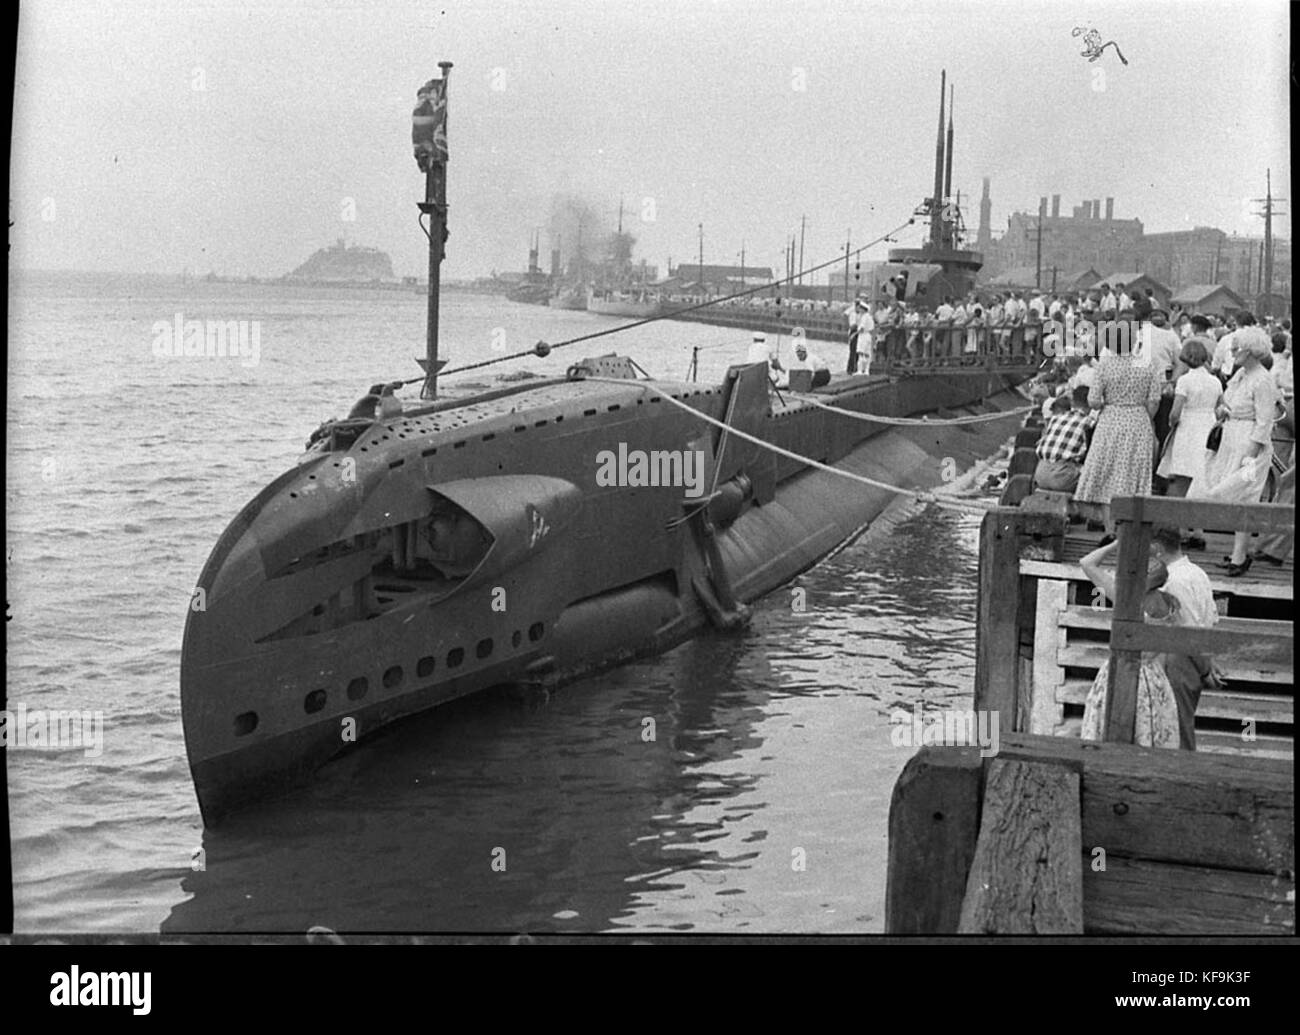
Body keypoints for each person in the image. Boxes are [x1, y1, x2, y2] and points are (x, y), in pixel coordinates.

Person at [1188, 326, 1281, 575]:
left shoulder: (1263, 380)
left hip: (1250, 446)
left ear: (1250, 351)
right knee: (1229, 495)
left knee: (1243, 495)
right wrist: (1222, 412)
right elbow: (1228, 403)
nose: (1232, 351)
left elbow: (1264, 423)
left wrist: (1248, 457)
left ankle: (1240, 556)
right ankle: (1237, 555)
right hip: (1230, 439)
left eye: (1237, 348)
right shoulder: (1241, 375)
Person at [1078, 541, 1181, 749]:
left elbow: (1087, 563)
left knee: (1111, 731)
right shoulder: (1172, 605)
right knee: (1153, 732)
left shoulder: (1127, 600)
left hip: (1123, 669)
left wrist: (1117, 543)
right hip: (1154, 675)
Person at [1073, 329, 1163, 536]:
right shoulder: (1147, 364)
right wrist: (1145, 415)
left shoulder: (1105, 365)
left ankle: (1109, 530)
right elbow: (1154, 400)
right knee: (1132, 474)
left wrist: (1109, 402)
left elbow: (1093, 401)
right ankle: (1129, 530)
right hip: (1138, 420)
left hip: (1111, 420)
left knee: (1108, 473)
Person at [1149, 526, 1219, 750]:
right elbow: (1210, 619)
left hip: (1178, 659)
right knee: (1181, 723)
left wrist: (1206, 668)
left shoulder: (1173, 581)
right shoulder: (1197, 572)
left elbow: (1187, 630)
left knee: (1176, 728)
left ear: (1157, 548)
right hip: (1194, 657)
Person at [1157, 338, 1221, 506]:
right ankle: (1197, 524)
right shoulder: (1215, 381)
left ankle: (1177, 521)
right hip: (1208, 424)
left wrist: (1172, 423)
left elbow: (1175, 412)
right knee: (1201, 471)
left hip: (1188, 426)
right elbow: (1221, 406)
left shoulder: (1185, 381)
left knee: (1182, 473)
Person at [1034, 385, 1091, 492]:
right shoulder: (1089, 423)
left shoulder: (1056, 418)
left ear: (1072, 402)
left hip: (1040, 473)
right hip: (1063, 477)